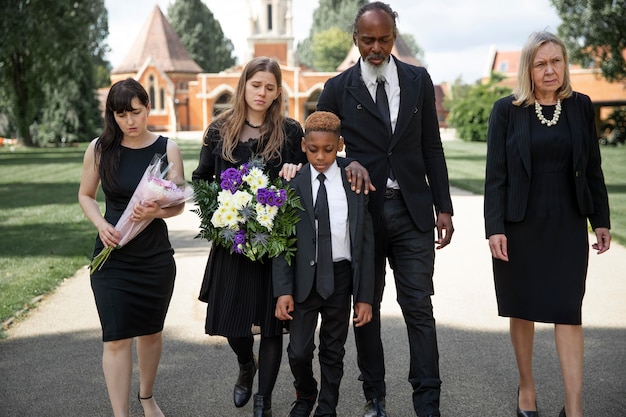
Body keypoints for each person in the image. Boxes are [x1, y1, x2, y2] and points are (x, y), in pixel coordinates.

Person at [317, 3, 454, 416]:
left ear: (394, 36)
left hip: (414, 212)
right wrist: (346, 163)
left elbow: (432, 147)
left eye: (384, 39)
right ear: (355, 39)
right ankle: (374, 395)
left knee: (419, 308)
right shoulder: (337, 88)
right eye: (368, 40)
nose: (376, 48)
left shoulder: (418, 79)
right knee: (366, 309)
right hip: (363, 218)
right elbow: (316, 152)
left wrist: (444, 207)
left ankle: (427, 402)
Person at [484, 31, 611, 417]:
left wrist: (600, 220)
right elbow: (496, 176)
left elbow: (592, 168)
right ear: (529, 68)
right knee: (522, 309)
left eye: (556, 61)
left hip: (568, 223)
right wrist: (495, 228)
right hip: (520, 225)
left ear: (565, 64)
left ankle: (574, 405)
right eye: (541, 63)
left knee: (567, 310)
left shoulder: (581, 107)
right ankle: (527, 388)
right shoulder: (507, 110)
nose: (550, 69)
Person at [191, 56, 307, 417]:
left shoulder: (290, 132)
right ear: (244, 86)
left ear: (277, 93)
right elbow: (201, 179)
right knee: (233, 324)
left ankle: (264, 400)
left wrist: (296, 168)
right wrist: (218, 217)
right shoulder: (218, 131)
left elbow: (304, 180)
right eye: (256, 85)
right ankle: (246, 364)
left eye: (270, 87)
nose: (262, 93)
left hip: (274, 244)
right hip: (232, 242)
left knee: (272, 324)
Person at [78, 78, 186, 417]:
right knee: (116, 339)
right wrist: (101, 224)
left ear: (148, 108)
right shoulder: (99, 149)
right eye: (121, 115)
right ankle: (120, 414)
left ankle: (147, 397)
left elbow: (179, 201)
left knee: (151, 335)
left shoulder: (167, 149)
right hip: (112, 259)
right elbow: (85, 195)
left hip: (154, 258)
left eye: (135, 113)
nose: (130, 121)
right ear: (112, 115)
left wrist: (157, 210)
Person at [273, 111, 375, 417]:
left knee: (334, 350)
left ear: (340, 144)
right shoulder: (292, 184)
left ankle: (327, 408)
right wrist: (282, 290)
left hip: (341, 278)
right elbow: (282, 240)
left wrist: (365, 297)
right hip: (304, 279)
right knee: (298, 351)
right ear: (303, 145)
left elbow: (366, 244)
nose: (320, 156)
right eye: (314, 149)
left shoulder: (353, 182)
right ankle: (305, 393)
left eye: (328, 150)